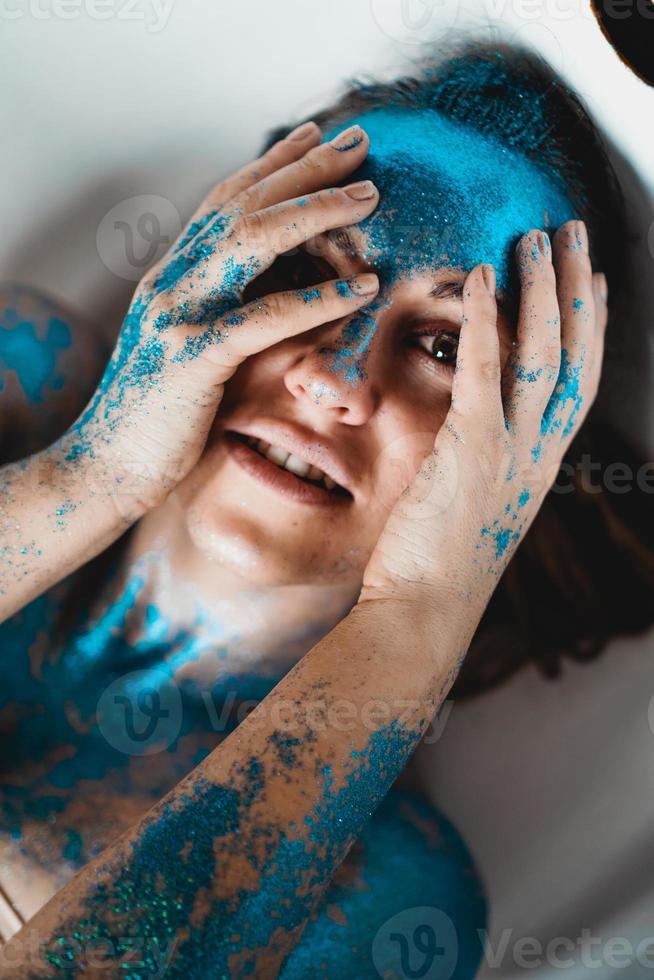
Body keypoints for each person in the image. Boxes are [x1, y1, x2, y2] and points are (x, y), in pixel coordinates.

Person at [0, 42, 651, 978]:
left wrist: (419, 621)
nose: (329, 380)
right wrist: (86, 475)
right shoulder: (23, 376)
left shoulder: (387, 896)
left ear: (523, 464)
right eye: (309, 278)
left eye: (441, 344)